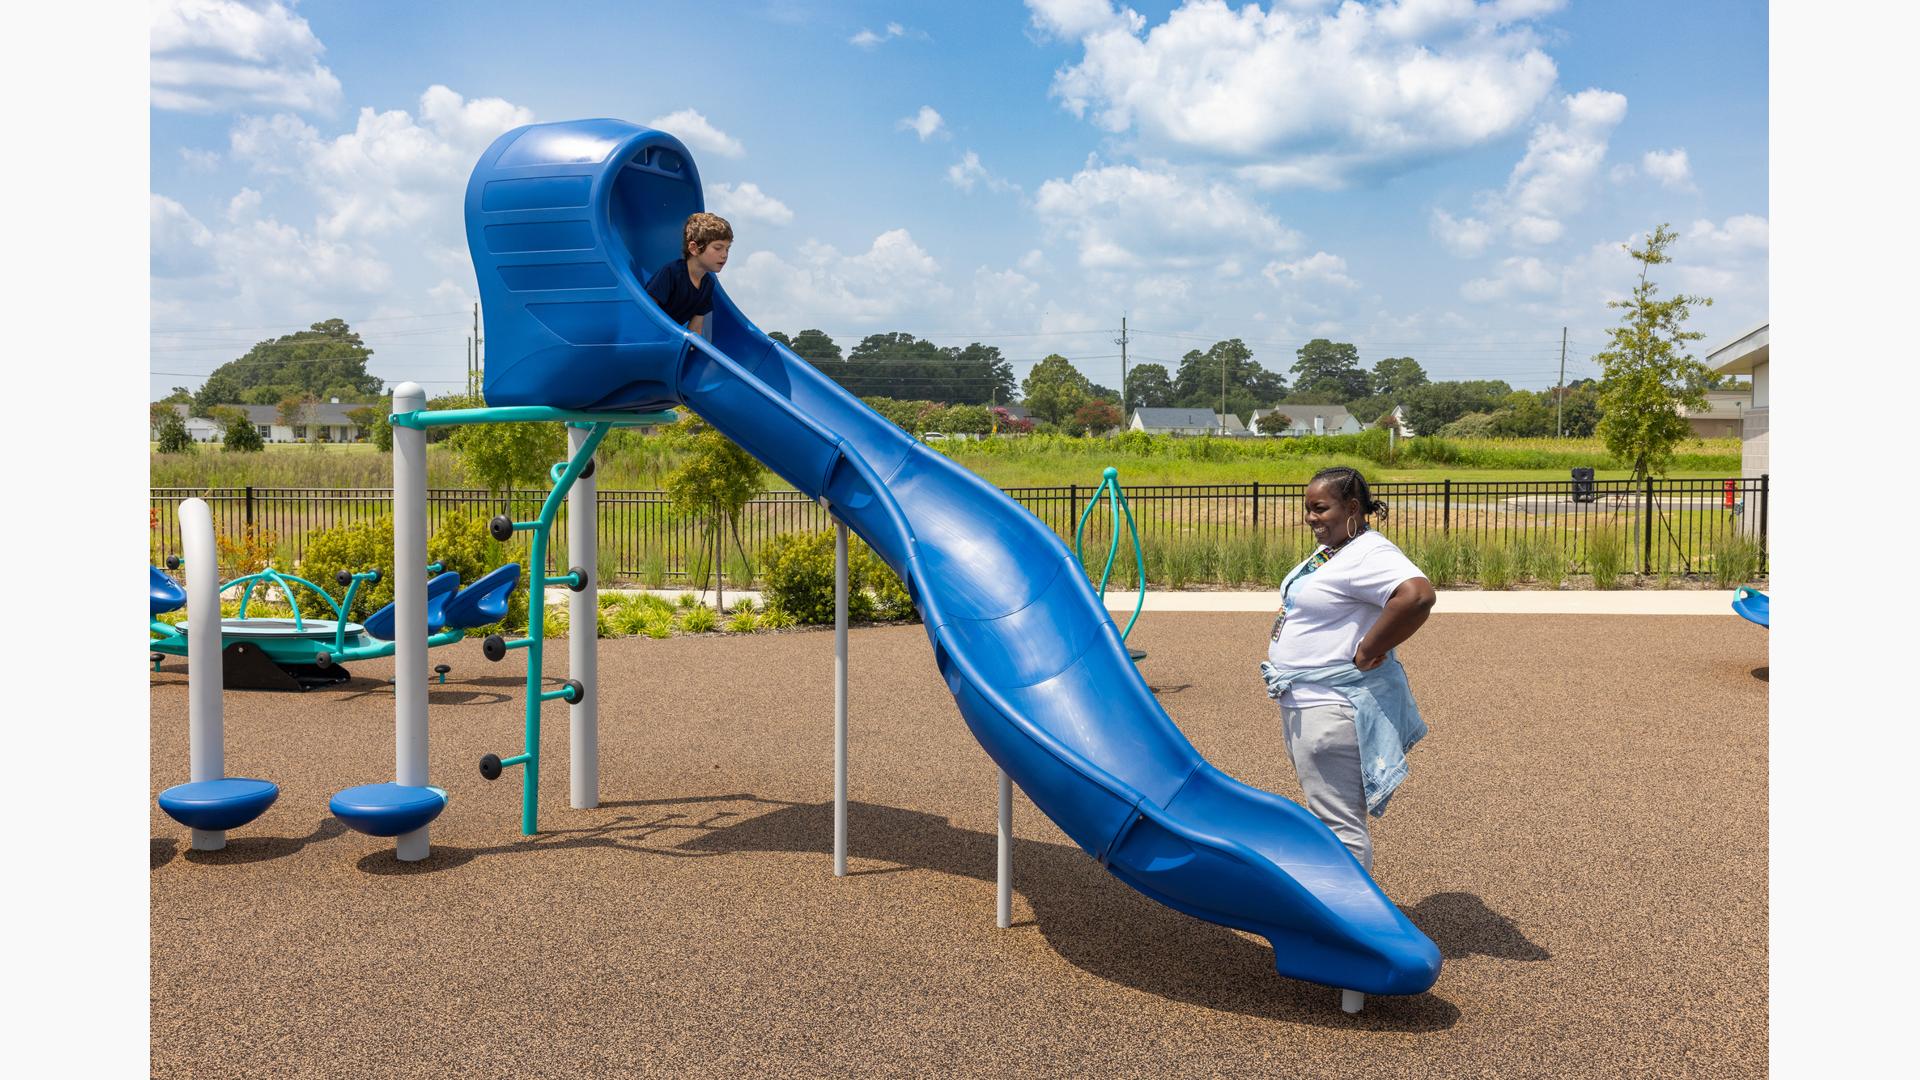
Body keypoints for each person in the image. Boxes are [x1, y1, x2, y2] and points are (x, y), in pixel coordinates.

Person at [1258, 466, 1437, 872]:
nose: (1310, 518)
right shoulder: (1338, 548)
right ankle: (1345, 913)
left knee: (1338, 823)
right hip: (1306, 700)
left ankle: (1352, 922)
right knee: (1330, 816)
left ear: (1352, 507)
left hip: (1330, 705)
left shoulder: (1369, 552)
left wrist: (1370, 647)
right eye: (1307, 509)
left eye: (1320, 508)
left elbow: (1417, 596)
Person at [645, 212, 732, 336]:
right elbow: (646, 310)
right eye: (718, 248)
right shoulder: (672, 272)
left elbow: (695, 329)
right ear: (694, 248)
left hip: (671, 340)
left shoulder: (707, 284)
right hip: (649, 336)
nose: (724, 255)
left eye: (727, 249)